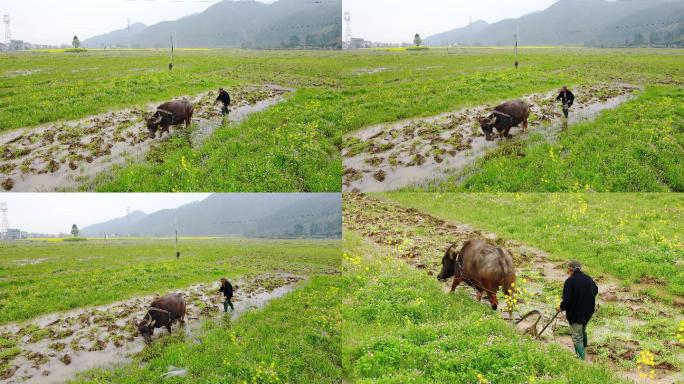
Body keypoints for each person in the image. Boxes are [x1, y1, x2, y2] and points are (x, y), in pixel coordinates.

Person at [557, 260, 598, 361]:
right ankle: (584, 348)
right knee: (582, 329)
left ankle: (581, 360)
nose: (567, 271)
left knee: (576, 336)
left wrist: (560, 307)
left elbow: (567, 300)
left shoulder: (569, 282)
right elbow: (595, 291)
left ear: (571, 269)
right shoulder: (588, 279)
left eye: (568, 269)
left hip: (575, 313)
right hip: (588, 312)